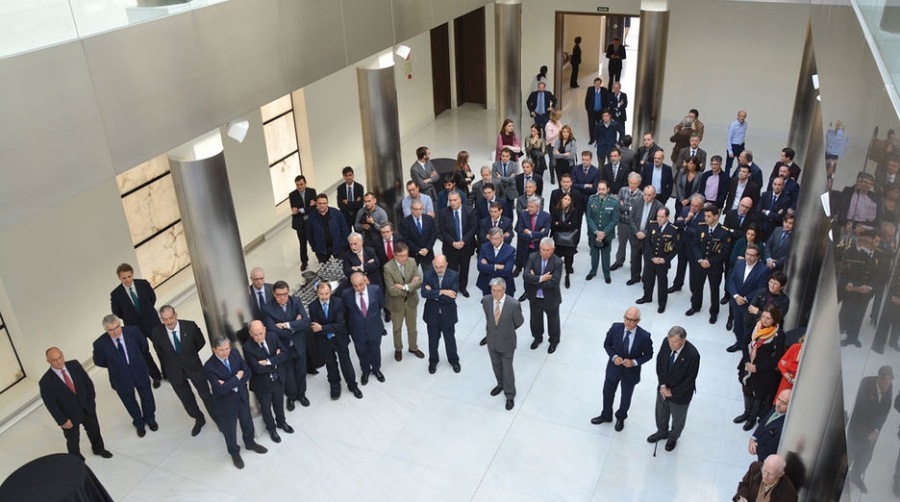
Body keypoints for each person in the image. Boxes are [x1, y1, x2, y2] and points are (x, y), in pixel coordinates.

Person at [204, 337, 268, 469]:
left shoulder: (235, 353)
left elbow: (248, 373)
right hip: (226, 403)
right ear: (214, 350)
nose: (225, 352)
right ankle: (234, 452)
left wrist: (228, 383)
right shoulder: (209, 366)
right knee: (230, 430)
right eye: (221, 350)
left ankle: (250, 443)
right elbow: (220, 389)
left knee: (247, 422)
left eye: (227, 348)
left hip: (241, 397)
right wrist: (237, 377)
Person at [150, 306, 214, 436]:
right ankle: (199, 419)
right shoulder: (157, 333)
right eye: (165, 319)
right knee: (187, 399)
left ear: (176, 315)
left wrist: (188, 356)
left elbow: (200, 343)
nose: (169, 322)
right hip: (175, 372)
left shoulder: (190, 327)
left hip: (193, 367)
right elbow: (160, 352)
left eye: (171, 318)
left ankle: (218, 418)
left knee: (206, 395)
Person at [40, 347, 112, 460]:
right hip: (69, 416)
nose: (59, 362)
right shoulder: (45, 382)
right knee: (73, 440)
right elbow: (51, 405)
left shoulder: (74, 365)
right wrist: (62, 420)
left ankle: (99, 449)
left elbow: (87, 382)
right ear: (48, 361)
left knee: (94, 430)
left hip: (86, 407)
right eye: (54, 360)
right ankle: (76, 459)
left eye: (60, 357)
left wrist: (91, 401)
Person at [93, 314, 157, 437]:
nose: (115, 331)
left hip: (139, 371)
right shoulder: (100, 344)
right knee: (129, 402)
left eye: (117, 327)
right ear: (106, 330)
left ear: (120, 324)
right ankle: (139, 423)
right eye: (111, 330)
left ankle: (150, 419)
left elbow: (143, 346)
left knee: (147, 397)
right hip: (120, 378)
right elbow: (99, 361)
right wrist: (116, 366)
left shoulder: (133, 331)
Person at [590, 307, 654, 431]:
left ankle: (621, 418)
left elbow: (649, 354)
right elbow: (607, 344)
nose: (628, 322)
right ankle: (606, 415)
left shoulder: (644, 336)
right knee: (607, 393)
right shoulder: (615, 328)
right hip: (614, 368)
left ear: (638, 321)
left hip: (630, 372)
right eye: (626, 318)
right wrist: (614, 356)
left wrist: (634, 362)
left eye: (632, 320)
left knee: (626, 397)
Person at [647, 326, 700, 452]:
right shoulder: (666, 342)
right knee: (661, 412)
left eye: (674, 342)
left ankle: (673, 438)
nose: (671, 344)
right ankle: (661, 432)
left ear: (683, 341)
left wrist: (672, 392)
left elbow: (690, 379)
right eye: (670, 341)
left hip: (680, 394)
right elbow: (660, 363)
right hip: (664, 388)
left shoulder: (693, 355)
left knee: (678, 419)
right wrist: (662, 385)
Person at [109, 263, 163, 388]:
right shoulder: (116, 294)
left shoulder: (143, 284)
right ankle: (156, 376)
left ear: (132, 274)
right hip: (134, 327)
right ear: (119, 278)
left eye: (129, 276)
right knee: (144, 353)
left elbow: (152, 299)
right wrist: (132, 318)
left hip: (152, 322)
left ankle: (168, 372)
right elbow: (117, 312)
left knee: (161, 347)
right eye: (124, 278)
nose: (127, 280)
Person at [261, 280, 311, 410]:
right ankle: (291, 397)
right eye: (279, 295)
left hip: (298, 344)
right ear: (273, 294)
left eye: (285, 294)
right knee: (288, 375)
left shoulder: (296, 301)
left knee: (301, 372)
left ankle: (302, 395)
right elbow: (272, 330)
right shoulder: (267, 308)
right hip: (283, 348)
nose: (282, 297)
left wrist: (286, 325)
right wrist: (295, 325)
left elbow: (305, 322)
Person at [735, 305, 786, 432]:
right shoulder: (756, 326)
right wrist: (747, 362)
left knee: (759, 395)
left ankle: (752, 418)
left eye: (768, 318)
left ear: (774, 319)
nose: (764, 320)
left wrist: (757, 367)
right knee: (746, 388)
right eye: (763, 316)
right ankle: (747, 412)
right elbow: (745, 343)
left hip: (763, 370)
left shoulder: (778, 335)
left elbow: (777, 357)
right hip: (748, 364)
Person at [308, 282, 362, 399]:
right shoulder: (313, 307)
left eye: (327, 293)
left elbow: (339, 324)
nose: (324, 296)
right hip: (324, 341)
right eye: (321, 294)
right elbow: (314, 328)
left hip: (339, 338)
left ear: (330, 292)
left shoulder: (338, 302)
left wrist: (322, 327)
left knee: (346, 363)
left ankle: (352, 385)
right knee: (330, 364)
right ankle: (335, 385)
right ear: (317, 293)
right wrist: (326, 328)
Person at [242, 320, 293, 444]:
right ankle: (271, 429)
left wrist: (268, 361)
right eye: (256, 334)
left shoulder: (272, 336)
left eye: (261, 333)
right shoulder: (248, 347)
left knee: (279, 402)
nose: (259, 337)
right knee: (266, 408)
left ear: (264, 329)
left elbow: (285, 353)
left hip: (278, 377)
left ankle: (281, 422)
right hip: (262, 384)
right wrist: (276, 360)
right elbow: (257, 368)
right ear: (250, 333)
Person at [847, 366, 893, 493]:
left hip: (873, 432)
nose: (887, 385)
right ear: (879, 378)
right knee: (850, 455)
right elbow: (861, 411)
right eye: (885, 382)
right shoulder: (866, 384)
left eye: (889, 382)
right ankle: (843, 481)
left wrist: (877, 430)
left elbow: (885, 410)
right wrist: (868, 434)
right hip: (858, 429)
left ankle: (855, 477)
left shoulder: (889, 387)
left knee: (865, 458)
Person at [483, 278, 525, 411]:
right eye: (493, 291)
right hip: (492, 341)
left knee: (507, 369)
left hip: (507, 342)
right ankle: (500, 384)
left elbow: (519, 322)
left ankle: (510, 395)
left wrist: (506, 330)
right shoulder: (486, 301)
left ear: (504, 290)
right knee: (496, 365)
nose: (496, 294)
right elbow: (489, 318)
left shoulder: (513, 304)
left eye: (499, 291)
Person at [688, 205, 730, 324]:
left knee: (714, 290)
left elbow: (725, 251)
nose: (706, 218)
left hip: (714, 267)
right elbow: (695, 244)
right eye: (705, 216)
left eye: (709, 216)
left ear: (716, 217)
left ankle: (714, 312)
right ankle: (695, 306)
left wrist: (710, 262)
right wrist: (700, 259)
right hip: (700, 264)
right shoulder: (701, 228)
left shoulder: (724, 232)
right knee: (697, 287)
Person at [343, 272, 386, 385]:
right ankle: (365, 371)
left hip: (374, 328)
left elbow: (381, 304)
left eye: (361, 284)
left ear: (365, 281)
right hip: (357, 330)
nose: (358, 288)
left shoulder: (375, 290)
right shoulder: (346, 294)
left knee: (375, 350)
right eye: (355, 285)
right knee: (361, 352)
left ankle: (376, 369)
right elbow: (346, 313)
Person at [383, 242, 424, 361]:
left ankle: (413, 347)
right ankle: (398, 349)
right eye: (401, 256)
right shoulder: (388, 267)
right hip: (396, 304)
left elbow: (419, 281)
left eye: (406, 255)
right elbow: (391, 290)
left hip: (411, 302)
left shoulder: (412, 261)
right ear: (395, 255)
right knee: (397, 328)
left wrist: (404, 287)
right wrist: (411, 285)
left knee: (412, 327)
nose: (404, 258)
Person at [523, 238, 564, 353]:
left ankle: (554, 341)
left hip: (551, 298)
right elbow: (526, 276)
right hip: (535, 297)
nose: (545, 252)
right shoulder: (532, 257)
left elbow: (554, 282)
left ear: (553, 249)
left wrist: (534, 279)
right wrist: (541, 278)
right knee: (535, 320)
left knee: (553, 322)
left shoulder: (557, 262)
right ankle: (537, 338)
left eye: (548, 250)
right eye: (543, 250)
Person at [422, 255, 461, 374]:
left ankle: (454, 360)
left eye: (441, 267)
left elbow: (452, 297)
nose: (438, 269)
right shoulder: (428, 274)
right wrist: (443, 291)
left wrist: (433, 294)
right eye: (436, 267)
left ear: (446, 265)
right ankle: (433, 361)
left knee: (450, 339)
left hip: (448, 314)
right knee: (432, 340)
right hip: (432, 314)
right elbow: (424, 293)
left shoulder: (454, 275)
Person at [726, 245, 769, 352]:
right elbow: (732, 280)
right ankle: (739, 343)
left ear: (758, 257)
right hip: (736, 301)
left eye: (752, 255)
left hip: (749, 304)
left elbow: (761, 288)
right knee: (737, 325)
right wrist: (736, 296)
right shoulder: (739, 263)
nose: (749, 257)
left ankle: (747, 347)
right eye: (747, 254)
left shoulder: (763, 270)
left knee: (747, 327)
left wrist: (745, 298)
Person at [636, 208, 678, 313]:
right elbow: (647, 243)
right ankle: (647, 297)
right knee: (648, 279)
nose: (659, 219)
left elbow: (675, 249)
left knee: (662, 283)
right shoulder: (652, 225)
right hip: (651, 260)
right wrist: (651, 257)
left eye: (662, 217)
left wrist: (665, 259)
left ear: (667, 217)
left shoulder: (673, 229)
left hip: (662, 262)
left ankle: (662, 304)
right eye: (658, 216)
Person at [438, 191, 477, 297]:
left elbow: (473, 228)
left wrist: (463, 241)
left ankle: (463, 287)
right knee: (452, 269)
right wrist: (453, 243)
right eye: (450, 200)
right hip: (450, 247)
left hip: (466, 245)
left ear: (460, 200)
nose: (452, 202)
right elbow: (442, 231)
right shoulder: (443, 213)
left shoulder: (469, 211)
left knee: (465, 268)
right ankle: (453, 288)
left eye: (454, 200)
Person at [669, 194, 706, 293]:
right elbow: (676, 223)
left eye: (696, 206)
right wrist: (687, 220)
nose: (693, 208)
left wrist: (684, 226)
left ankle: (694, 290)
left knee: (693, 269)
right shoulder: (685, 210)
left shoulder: (704, 216)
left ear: (702, 206)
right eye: (692, 205)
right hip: (682, 242)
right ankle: (677, 284)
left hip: (694, 246)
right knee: (681, 264)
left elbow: (698, 232)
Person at [627, 186, 663, 286]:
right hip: (635, 236)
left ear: (654, 195)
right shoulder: (637, 202)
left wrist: (645, 234)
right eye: (645, 194)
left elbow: (658, 223)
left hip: (649, 239)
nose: (646, 197)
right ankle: (635, 277)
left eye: (649, 195)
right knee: (634, 258)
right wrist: (636, 232)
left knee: (648, 261)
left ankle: (646, 280)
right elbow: (631, 218)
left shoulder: (659, 206)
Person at [586, 180, 619, 283]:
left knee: (606, 255)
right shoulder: (591, 200)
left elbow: (615, 220)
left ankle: (606, 274)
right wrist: (596, 232)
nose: (601, 191)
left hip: (607, 234)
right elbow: (589, 217)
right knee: (594, 254)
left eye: (603, 189)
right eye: (599, 189)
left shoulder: (614, 202)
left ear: (608, 190)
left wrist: (603, 233)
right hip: (593, 233)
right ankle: (593, 271)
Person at [307, 193, 351, 266]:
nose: (322, 205)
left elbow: (344, 229)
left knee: (343, 267)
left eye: (324, 203)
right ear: (316, 204)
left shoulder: (336, 213)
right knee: (324, 270)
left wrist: (343, 244)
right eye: (320, 203)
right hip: (321, 249)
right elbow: (309, 233)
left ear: (327, 203)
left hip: (338, 247)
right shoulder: (312, 216)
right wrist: (314, 247)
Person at [732, 454, 797, 502]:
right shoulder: (755, 468)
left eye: (770, 474)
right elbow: (744, 484)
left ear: (780, 474)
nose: (765, 476)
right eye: (764, 470)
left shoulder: (789, 493)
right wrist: (742, 497)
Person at [749, 389, 792, 462]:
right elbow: (764, 422)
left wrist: (756, 449)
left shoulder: (783, 428)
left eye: (783, 403)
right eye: (779, 399)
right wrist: (753, 438)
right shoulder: (775, 408)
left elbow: (770, 450)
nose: (778, 404)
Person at [515, 196, 551, 280]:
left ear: (538, 207)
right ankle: (527, 291)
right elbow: (520, 232)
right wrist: (536, 236)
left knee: (537, 270)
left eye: (532, 207)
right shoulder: (523, 215)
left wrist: (530, 233)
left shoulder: (546, 216)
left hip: (538, 249)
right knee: (526, 272)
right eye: (528, 206)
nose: (529, 209)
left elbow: (545, 234)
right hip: (525, 248)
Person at [613, 172, 643, 271]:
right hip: (621, 222)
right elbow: (618, 205)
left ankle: (633, 264)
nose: (632, 185)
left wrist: (624, 207)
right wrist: (629, 208)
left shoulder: (641, 195)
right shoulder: (623, 190)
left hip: (633, 225)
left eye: (635, 183)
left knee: (634, 246)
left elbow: (637, 211)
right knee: (621, 244)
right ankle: (619, 261)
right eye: (630, 182)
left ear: (639, 183)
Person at [551, 192, 581, 288]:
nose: (566, 201)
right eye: (565, 199)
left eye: (569, 200)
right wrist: (565, 224)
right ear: (561, 199)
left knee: (568, 261)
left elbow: (573, 225)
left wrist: (559, 224)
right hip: (558, 240)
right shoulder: (556, 210)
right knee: (556, 260)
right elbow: (552, 225)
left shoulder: (574, 211)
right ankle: (556, 277)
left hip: (569, 240)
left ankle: (567, 276)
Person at [477, 227, 516, 298]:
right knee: (488, 306)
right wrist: (496, 267)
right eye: (492, 238)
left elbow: (507, 271)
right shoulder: (484, 247)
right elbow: (480, 267)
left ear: (502, 237)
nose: (493, 241)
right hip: (487, 284)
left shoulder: (510, 250)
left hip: (504, 286)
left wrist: (488, 267)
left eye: (496, 238)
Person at [401, 199, 437, 273]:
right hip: (413, 254)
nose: (418, 211)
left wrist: (427, 248)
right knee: (411, 277)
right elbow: (406, 239)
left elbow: (433, 235)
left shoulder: (429, 219)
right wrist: (418, 250)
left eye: (420, 209)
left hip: (427, 254)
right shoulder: (405, 222)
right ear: (411, 209)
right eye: (416, 209)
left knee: (429, 277)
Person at [289, 175, 317, 270]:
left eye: (301, 184)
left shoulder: (312, 192)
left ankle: (320, 257)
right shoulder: (292, 195)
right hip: (300, 224)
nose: (299, 187)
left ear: (305, 183)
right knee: (302, 244)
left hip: (311, 222)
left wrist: (302, 210)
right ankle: (304, 262)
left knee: (315, 240)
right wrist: (306, 208)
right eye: (297, 185)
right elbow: (294, 210)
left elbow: (314, 208)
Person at [757, 177, 793, 241]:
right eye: (775, 184)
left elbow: (780, 217)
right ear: (772, 185)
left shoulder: (786, 200)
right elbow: (758, 211)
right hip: (760, 227)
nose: (777, 187)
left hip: (773, 229)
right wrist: (774, 215)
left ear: (783, 186)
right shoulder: (765, 195)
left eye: (779, 185)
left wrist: (766, 212)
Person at [585, 78, 608, 147]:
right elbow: (587, 101)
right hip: (592, 112)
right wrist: (588, 110)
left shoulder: (604, 90)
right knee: (591, 126)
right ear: (594, 83)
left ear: (600, 84)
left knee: (600, 126)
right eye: (596, 83)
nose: (597, 85)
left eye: (598, 83)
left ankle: (600, 139)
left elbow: (606, 101)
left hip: (601, 112)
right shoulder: (590, 90)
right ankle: (592, 139)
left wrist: (604, 111)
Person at [725, 110, 748, 177]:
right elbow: (729, 138)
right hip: (733, 146)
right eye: (741, 116)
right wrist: (730, 151)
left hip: (741, 146)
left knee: (742, 163)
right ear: (738, 116)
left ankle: (738, 177)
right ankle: (726, 178)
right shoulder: (733, 125)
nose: (742, 118)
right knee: (729, 165)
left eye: (744, 116)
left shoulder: (745, 124)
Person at [545, 110, 563, 184]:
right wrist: (558, 133)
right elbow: (548, 137)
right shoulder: (548, 125)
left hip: (559, 144)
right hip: (551, 145)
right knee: (552, 162)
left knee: (559, 161)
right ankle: (552, 176)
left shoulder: (558, 122)